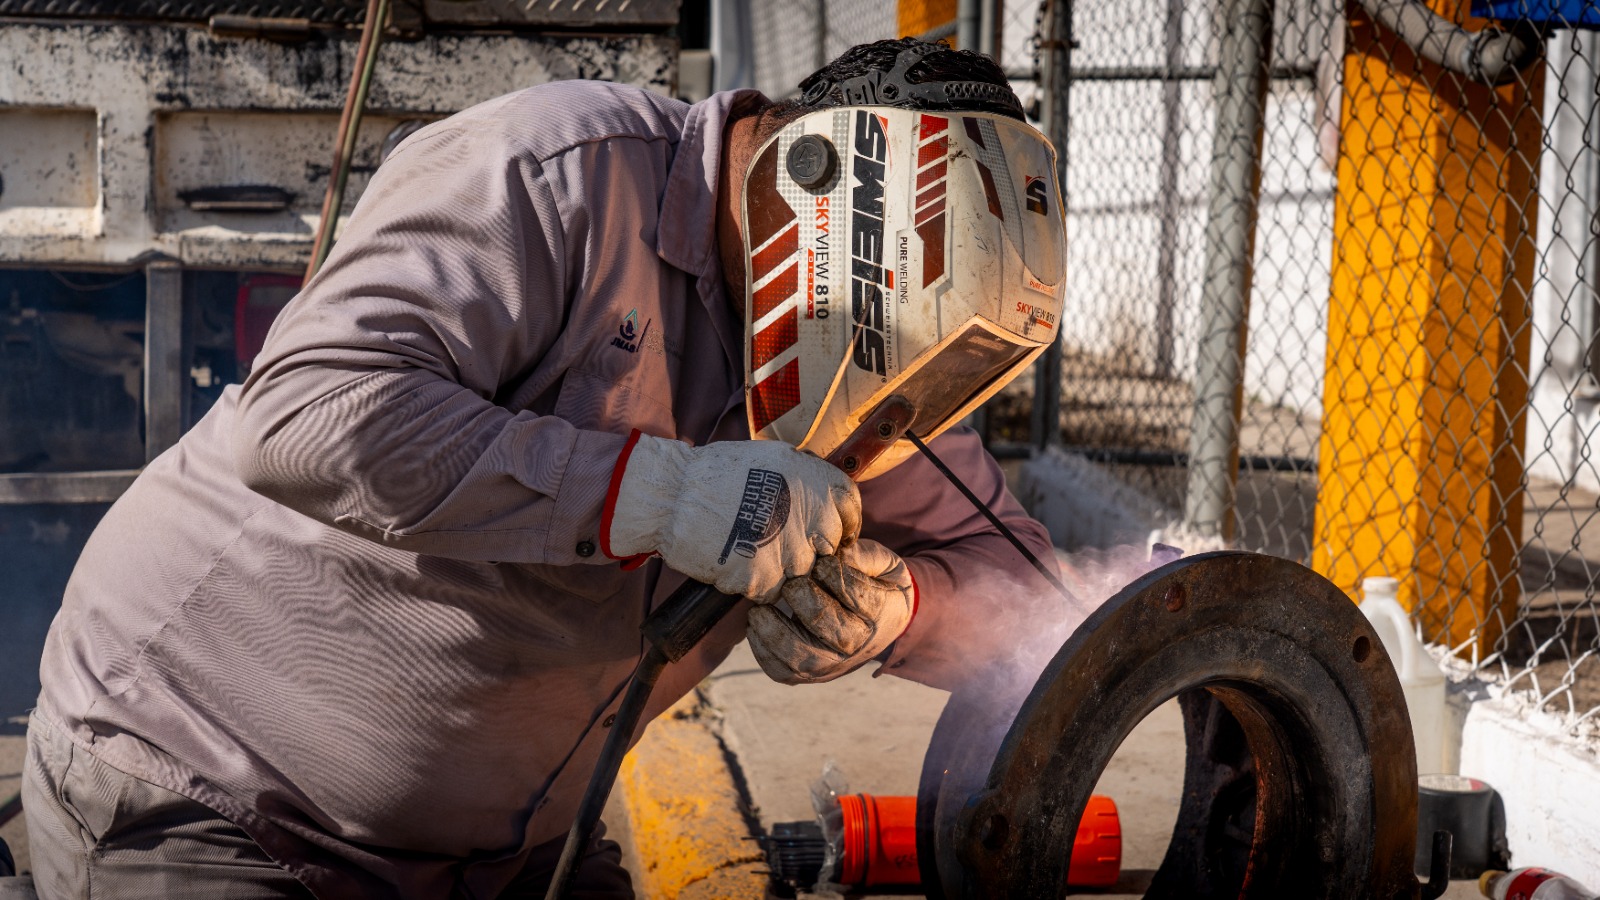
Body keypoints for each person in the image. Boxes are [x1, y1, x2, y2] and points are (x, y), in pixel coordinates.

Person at [24, 37, 1067, 899]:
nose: (874, 413)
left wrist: (899, 609)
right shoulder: (557, 173)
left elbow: (1029, 600)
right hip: (214, 794)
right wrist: (651, 493)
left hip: (506, 857)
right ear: (828, 194)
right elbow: (307, 413)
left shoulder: (859, 354)